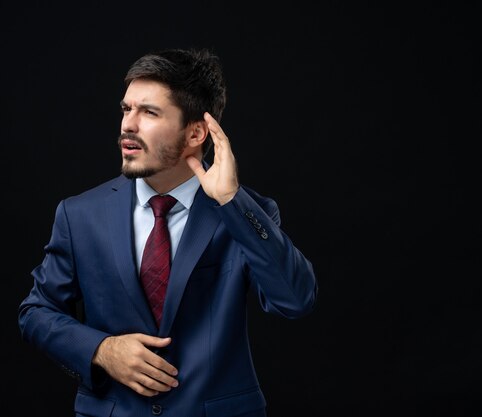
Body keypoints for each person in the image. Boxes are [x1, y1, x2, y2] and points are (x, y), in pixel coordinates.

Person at [18, 47, 318, 417]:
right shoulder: (79, 214)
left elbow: (296, 299)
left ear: (195, 133)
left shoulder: (243, 213)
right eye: (127, 109)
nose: (128, 124)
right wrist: (101, 351)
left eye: (149, 112)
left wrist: (231, 201)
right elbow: (36, 312)